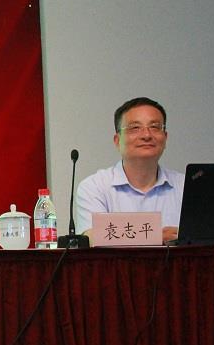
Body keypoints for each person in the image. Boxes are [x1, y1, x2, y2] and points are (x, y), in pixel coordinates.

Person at [75, 97, 184, 243]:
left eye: (155, 127)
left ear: (165, 138)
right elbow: (91, 238)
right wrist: (154, 236)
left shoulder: (185, 186)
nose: (146, 135)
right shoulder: (95, 186)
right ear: (117, 140)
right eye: (135, 128)